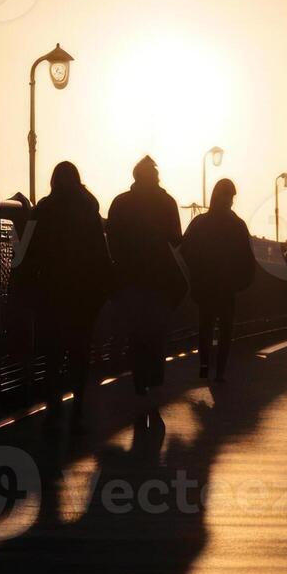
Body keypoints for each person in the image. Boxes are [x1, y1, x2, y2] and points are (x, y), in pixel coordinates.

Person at [14, 161, 113, 416]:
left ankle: (53, 407)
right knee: (79, 354)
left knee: (53, 355)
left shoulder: (43, 210)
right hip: (84, 295)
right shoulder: (88, 210)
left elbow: (25, 254)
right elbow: (102, 257)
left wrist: (25, 288)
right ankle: (78, 409)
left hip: (51, 293)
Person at [107, 156, 186, 395]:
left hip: (130, 276)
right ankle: (155, 375)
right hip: (160, 277)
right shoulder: (167, 202)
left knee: (136, 329)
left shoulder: (120, 203)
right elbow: (176, 239)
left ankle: (139, 379)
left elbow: (112, 239)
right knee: (156, 328)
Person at [181, 178, 256, 383]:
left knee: (205, 328)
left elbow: (185, 251)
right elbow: (248, 258)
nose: (231, 201)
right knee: (225, 330)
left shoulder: (199, 223)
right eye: (229, 196)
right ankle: (220, 373)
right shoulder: (238, 225)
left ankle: (205, 368)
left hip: (205, 286)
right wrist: (241, 281)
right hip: (227, 288)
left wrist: (195, 275)